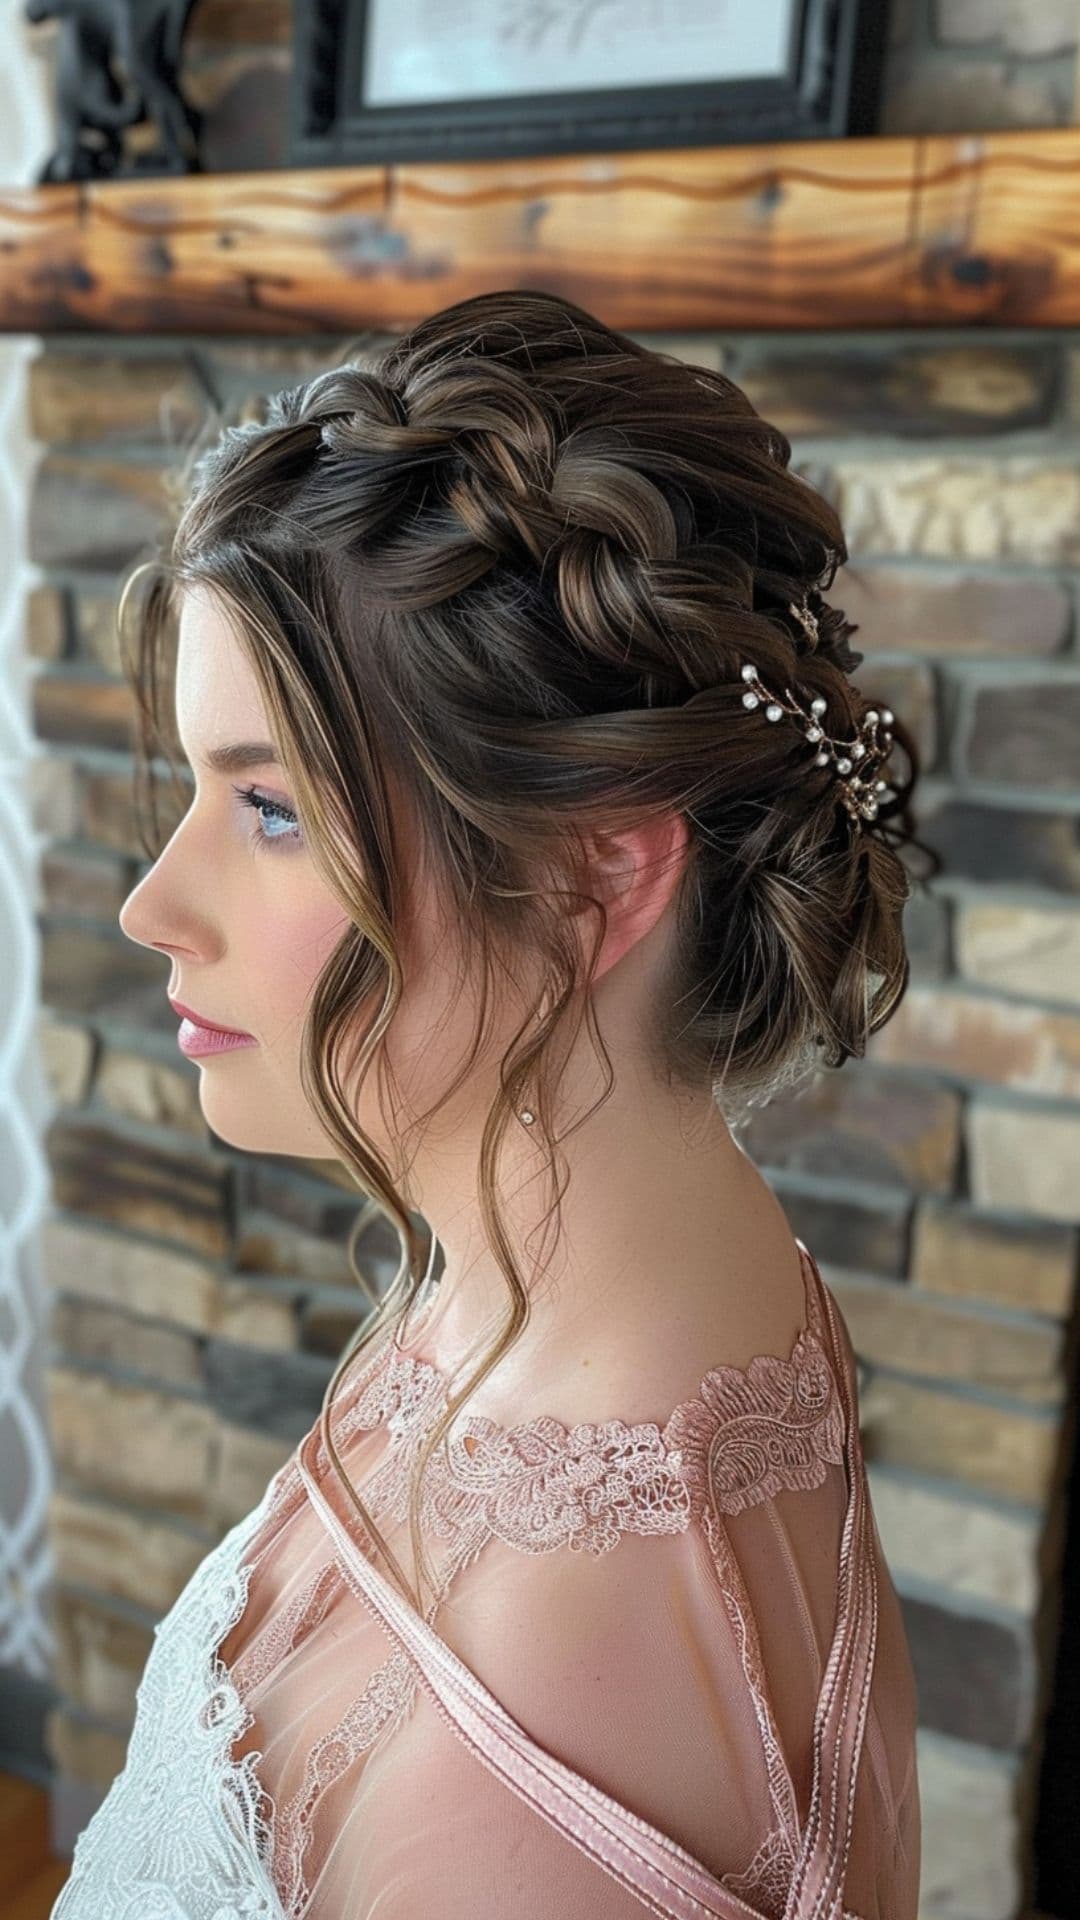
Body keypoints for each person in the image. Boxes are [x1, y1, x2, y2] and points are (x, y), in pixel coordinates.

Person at [53, 288, 928, 1919]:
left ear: (594, 872)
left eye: (266, 809)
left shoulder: (537, 1717)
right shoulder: (619, 1293)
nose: (151, 906)